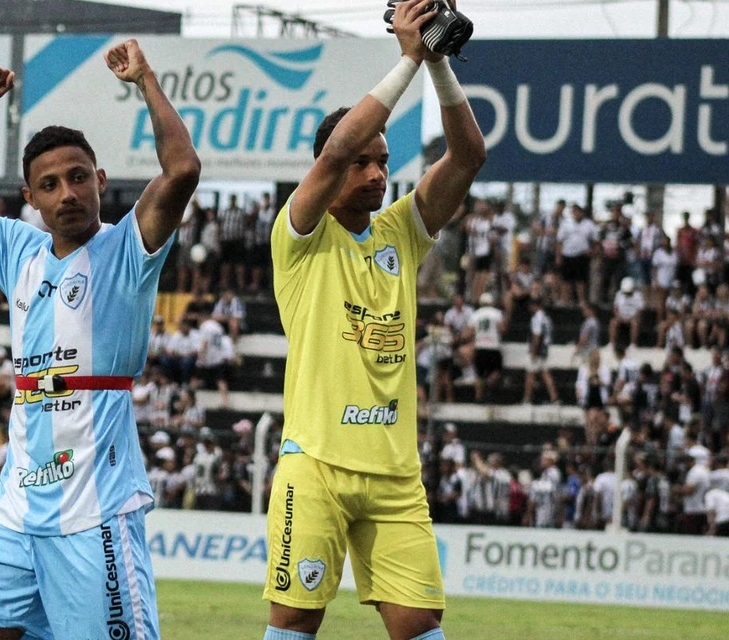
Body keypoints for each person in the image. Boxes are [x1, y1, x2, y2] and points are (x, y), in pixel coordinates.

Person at [0, 38, 199, 638]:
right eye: (49, 185)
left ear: (99, 179)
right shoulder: (16, 249)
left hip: (94, 508)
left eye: (76, 178)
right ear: (30, 199)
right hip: (16, 504)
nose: (66, 193)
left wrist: (145, 80)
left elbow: (182, 170)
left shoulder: (127, 246)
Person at [263, 2, 486, 638]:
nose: (376, 172)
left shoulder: (401, 231)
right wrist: (407, 56)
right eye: (363, 162)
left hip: (395, 473)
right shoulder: (299, 234)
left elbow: (468, 156)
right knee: (293, 624)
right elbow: (336, 147)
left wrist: (438, 63)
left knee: (421, 626)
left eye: (383, 161)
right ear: (326, 172)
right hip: (317, 467)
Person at [467, 293, 504, 402]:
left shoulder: (476, 314)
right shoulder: (497, 313)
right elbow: (502, 329)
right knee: (497, 370)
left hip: (480, 346)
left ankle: (478, 397)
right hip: (493, 346)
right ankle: (489, 385)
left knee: (479, 374)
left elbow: (470, 331)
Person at [523, 299, 559, 404]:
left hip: (538, 350)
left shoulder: (537, 318)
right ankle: (554, 398)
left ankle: (527, 399)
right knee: (545, 373)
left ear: (535, 305)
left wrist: (534, 351)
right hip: (545, 349)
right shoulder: (546, 318)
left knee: (530, 374)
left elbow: (537, 335)